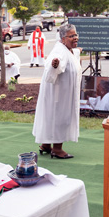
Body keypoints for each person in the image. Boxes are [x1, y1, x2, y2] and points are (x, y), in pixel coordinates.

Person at [33, 24, 81, 159]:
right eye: (72, 36)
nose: (75, 38)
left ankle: (46, 145)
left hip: (60, 92)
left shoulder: (68, 49)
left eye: (76, 35)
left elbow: (73, 55)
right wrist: (55, 65)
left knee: (51, 116)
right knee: (60, 117)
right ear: (63, 38)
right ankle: (57, 149)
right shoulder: (59, 51)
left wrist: (78, 51)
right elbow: (55, 62)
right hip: (59, 94)